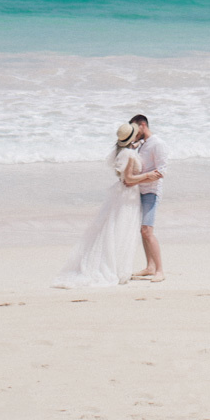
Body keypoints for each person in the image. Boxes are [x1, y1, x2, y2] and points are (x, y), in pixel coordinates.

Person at [52, 123, 162, 288]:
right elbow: (128, 180)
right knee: (122, 231)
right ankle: (116, 269)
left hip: (126, 196)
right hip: (128, 197)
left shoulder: (124, 151)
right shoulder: (129, 155)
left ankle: (121, 267)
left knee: (118, 229)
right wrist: (148, 175)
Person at [128, 112, 167, 282]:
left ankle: (160, 270)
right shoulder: (142, 145)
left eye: (135, 130)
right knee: (142, 231)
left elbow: (162, 171)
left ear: (143, 125)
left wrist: (142, 178)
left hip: (151, 191)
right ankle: (150, 267)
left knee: (147, 230)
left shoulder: (157, 143)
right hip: (140, 191)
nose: (134, 134)